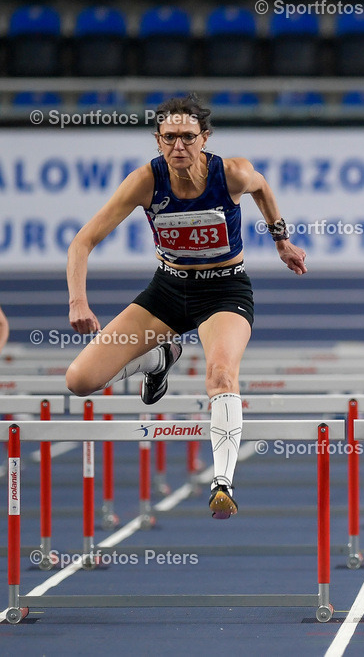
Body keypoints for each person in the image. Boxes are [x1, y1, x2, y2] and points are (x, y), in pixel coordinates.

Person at [64, 94, 307, 519]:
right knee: (79, 380)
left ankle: (222, 481)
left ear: (204, 138)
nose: (179, 146)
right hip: (167, 291)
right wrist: (78, 301)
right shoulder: (144, 181)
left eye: (187, 137)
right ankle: (159, 360)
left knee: (220, 373)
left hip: (225, 292)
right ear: (158, 141)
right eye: (170, 137)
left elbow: (263, 188)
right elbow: (82, 242)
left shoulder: (231, 173)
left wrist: (281, 240)